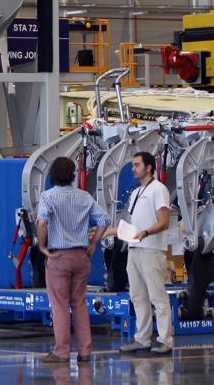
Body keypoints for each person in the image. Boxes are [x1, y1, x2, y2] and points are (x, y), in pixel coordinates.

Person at [36, 156, 110, 363]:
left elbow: (42, 222)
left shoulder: (48, 197)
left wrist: (42, 246)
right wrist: (94, 243)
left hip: (58, 256)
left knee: (59, 305)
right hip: (81, 255)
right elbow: (104, 219)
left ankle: (61, 351)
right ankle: (85, 351)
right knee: (79, 303)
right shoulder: (84, 196)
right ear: (72, 174)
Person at [117, 151, 174, 355]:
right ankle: (142, 339)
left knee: (157, 297)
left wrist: (146, 232)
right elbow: (135, 223)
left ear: (149, 167)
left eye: (136, 165)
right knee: (138, 296)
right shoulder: (136, 192)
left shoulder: (159, 190)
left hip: (151, 249)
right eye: (133, 165)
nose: (133, 169)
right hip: (135, 249)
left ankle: (165, 340)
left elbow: (164, 222)